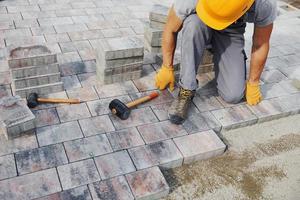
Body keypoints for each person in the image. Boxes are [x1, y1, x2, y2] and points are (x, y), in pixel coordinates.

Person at [155, 0, 277, 124]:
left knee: (233, 95)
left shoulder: (265, 3)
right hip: (200, 22)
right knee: (193, 25)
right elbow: (170, 28)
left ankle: (230, 53)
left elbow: (260, 44)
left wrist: (253, 82)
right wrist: (166, 67)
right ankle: (186, 89)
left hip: (232, 29)